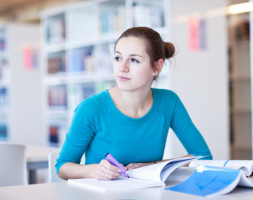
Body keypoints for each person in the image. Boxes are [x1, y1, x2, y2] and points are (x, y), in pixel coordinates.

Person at [56, 27, 212, 180]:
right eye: (118, 58)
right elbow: (62, 167)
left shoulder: (169, 102)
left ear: (157, 67)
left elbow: (203, 156)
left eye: (134, 60)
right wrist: (94, 171)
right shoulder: (90, 108)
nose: (122, 68)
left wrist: (153, 165)